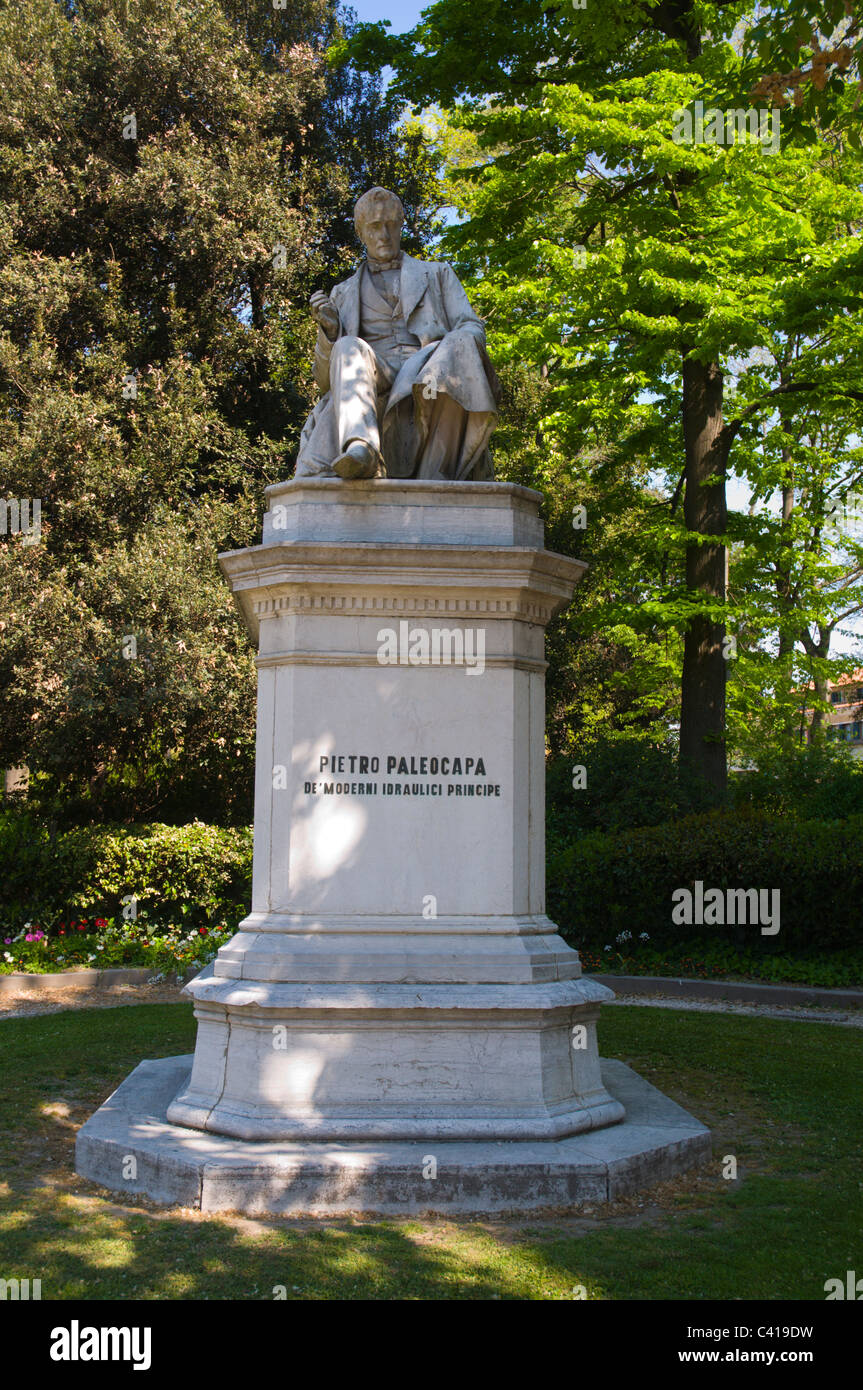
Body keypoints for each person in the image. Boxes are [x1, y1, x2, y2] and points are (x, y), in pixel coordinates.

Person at [294, 187, 500, 481]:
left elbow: (471, 326)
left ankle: (435, 473)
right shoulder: (342, 292)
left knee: (461, 342)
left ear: (401, 225)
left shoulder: (437, 274)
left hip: (430, 365)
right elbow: (325, 382)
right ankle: (361, 447)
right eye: (375, 227)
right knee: (348, 345)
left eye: (391, 224)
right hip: (376, 371)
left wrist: (448, 348)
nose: (384, 234)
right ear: (360, 232)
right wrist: (329, 333)